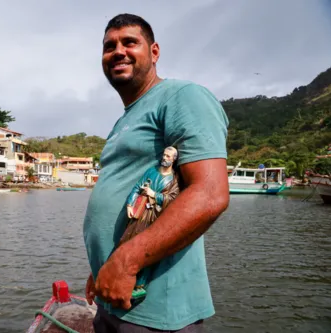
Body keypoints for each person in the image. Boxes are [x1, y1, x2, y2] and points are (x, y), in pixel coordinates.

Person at [83, 13, 230, 333]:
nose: (118, 51)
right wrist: (103, 265)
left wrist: (125, 263)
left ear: (154, 52)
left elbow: (209, 194)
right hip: (114, 297)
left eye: (130, 42)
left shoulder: (182, 96)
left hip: (156, 310)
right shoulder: (125, 119)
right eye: (109, 46)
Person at [115, 146, 180, 302]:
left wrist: (154, 194)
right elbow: (137, 187)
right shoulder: (151, 171)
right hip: (140, 213)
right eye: (164, 154)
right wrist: (130, 204)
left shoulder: (174, 180)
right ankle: (122, 278)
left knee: (147, 250)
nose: (165, 157)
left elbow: (172, 200)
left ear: (174, 159)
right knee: (127, 242)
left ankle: (140, 286)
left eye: (168, 156)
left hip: (156, 218)